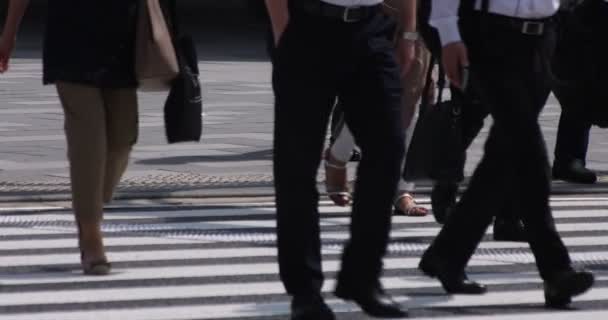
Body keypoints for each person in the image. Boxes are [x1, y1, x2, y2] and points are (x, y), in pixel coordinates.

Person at [419, 0, 595, 309]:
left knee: (504, 156)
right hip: (488, 34)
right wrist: (448, 34)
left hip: (544, 35)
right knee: (529, 152)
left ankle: (447, 255)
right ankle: (556, 270)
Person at [266, 0, 416, 318]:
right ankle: (305, 291)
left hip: (371, 27)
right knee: (297, 164)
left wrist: (409, 32)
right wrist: (283, 28)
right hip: (308, 24)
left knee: (388, 148)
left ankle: (361, 277)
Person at [0, 0, 140, 275]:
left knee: (123, 140)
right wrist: (9, 33)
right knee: (88, 140)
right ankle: (90, 235)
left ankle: (90, 202)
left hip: (123, 36)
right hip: (71, 37)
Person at [324, 0, 431, 217]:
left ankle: (402, 188)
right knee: (369, 98)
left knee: (410, 100)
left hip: (422, 17)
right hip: (377, 13)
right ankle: (338, 155)